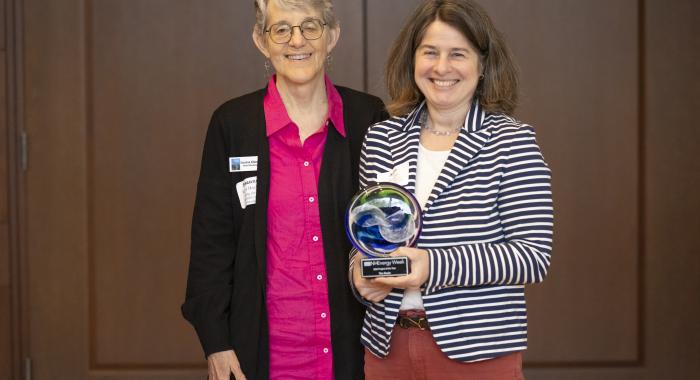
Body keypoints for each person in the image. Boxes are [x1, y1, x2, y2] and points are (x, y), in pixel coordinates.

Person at [182, 1, 387, 379]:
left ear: (332, 36)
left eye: (310, 27)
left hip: (355, 352)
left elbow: (389, 226)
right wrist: (216, 342)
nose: (297, 41)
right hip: (258, 355)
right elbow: (211, 242)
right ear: (261, 41)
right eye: (281, 29)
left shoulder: (368, 117)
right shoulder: (232, 124)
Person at [351, 0, 553, 379]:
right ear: (412, 60)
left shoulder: (512, 142)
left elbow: (532, 256)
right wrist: (358, 271)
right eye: (430, 52)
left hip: (477, 352)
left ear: (482, 63)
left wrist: (431, 265)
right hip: (387, 348)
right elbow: (364, 238)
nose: (441, 68)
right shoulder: (381, 138)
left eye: (457, 54)